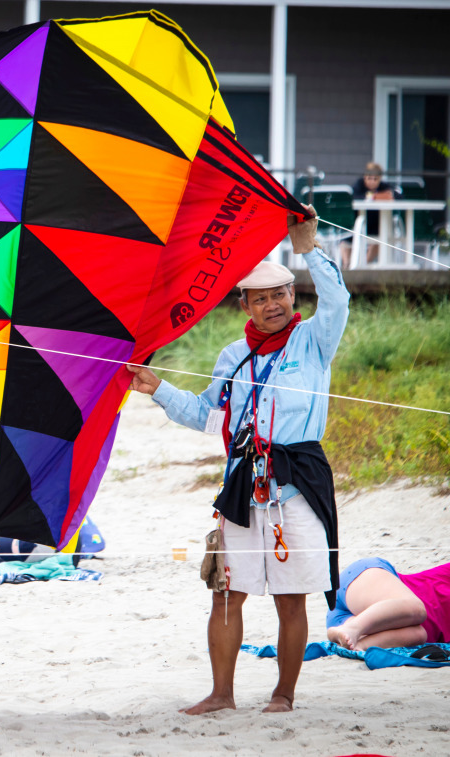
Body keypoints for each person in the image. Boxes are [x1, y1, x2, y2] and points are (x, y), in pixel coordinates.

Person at [127, 206, 350, 715]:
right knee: (226, 593)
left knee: (291, 598)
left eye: (281, 294)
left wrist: (308, 247)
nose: (272, 304)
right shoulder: (232, 356)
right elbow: (210, 417)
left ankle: (283, 695)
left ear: (293, 296)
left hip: (298, 481)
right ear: (244, 303)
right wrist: (158, 389)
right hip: (242, 481)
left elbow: (337, 301)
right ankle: (221, 695)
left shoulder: (314, 340)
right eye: (261, 297)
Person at [326, 557, 450, 650]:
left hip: (356, 624)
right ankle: (353, 628)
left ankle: (357, 645)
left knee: (419, 635)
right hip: (361, 584)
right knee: (416, 608)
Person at [341, 162, 399, 267]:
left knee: (381, 236)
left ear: (380, 178)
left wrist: (386, 196)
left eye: (375, 179)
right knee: (345, 238)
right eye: (369, 178)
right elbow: (354, 197)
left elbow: (397, 195)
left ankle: (364, 266)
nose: (372, 181)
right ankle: (346, 265)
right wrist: (375, 196)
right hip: (357, 223)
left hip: (376, 224)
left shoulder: (384, 186)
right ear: (365, 177)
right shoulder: (359, 185)